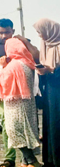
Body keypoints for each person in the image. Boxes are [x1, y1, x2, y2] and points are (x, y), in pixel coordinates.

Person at [0, 18, 41, 167]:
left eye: (6, 32)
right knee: (7, 123)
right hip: (3, 91)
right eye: (0, 32)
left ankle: (26, 160)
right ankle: (11, 157)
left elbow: (36, 55)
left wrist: (25, 41)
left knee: (15, 124)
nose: (3, 36)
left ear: (12, 31)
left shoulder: (21, 42)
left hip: (16, 93)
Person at [33, 18, 59, 167]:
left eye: (41, 32)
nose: (40, 36)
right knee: (50, 124)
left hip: (58, 92)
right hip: (50, 92)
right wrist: (42, 72)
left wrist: (51, 70)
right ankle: (51, 159)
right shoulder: (46, 46)